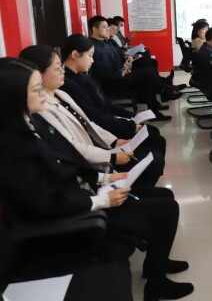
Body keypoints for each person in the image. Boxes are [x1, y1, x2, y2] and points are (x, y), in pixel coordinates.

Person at [0, 57, 194, 301]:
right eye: (35, 89)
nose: (43, 95)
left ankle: (156, 269)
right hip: (73, 216)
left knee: (164, 200)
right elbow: (46, 201)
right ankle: (156, 281)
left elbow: (67, 162)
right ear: (14, 96)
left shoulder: (29, 126)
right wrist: (100, 200)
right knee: (165, 209)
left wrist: (103, 179)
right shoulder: (13, 147)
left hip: (83, 194)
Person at [19, 45, 164, 188]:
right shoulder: (41, 110)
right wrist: (112, 156)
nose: (62, 71)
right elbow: (72, 147)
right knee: (153, 158)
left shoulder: (61, 93)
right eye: (57, 68)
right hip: (92, 163)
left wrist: (114, 141)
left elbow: (87, 122)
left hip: (100, 149)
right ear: (37, 75)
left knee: (153, 151)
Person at [60, 35, 168, 150]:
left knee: (152, 133)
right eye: (90, 56)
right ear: (75, 54)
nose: (92, 60)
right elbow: (95, 118)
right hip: (101, 131)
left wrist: (131, 116)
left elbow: (105, 105)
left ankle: (165, 88)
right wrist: (130, 126)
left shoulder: (81, 76)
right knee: (154, 136)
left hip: (107, 121)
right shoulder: (69, 85)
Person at [87, 15, 179, 121]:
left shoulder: (105, 42)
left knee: (149, 63)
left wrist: (127, 63)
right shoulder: (95, 48)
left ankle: (159, 98)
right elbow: (104, 73)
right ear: (94, 29)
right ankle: (163, 92)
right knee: (147, 73)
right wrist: (124, 70)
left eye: (107, 27)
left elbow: (118, 57)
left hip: (120, 73)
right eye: (104, 27)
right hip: (114, 82)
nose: (108, 29)